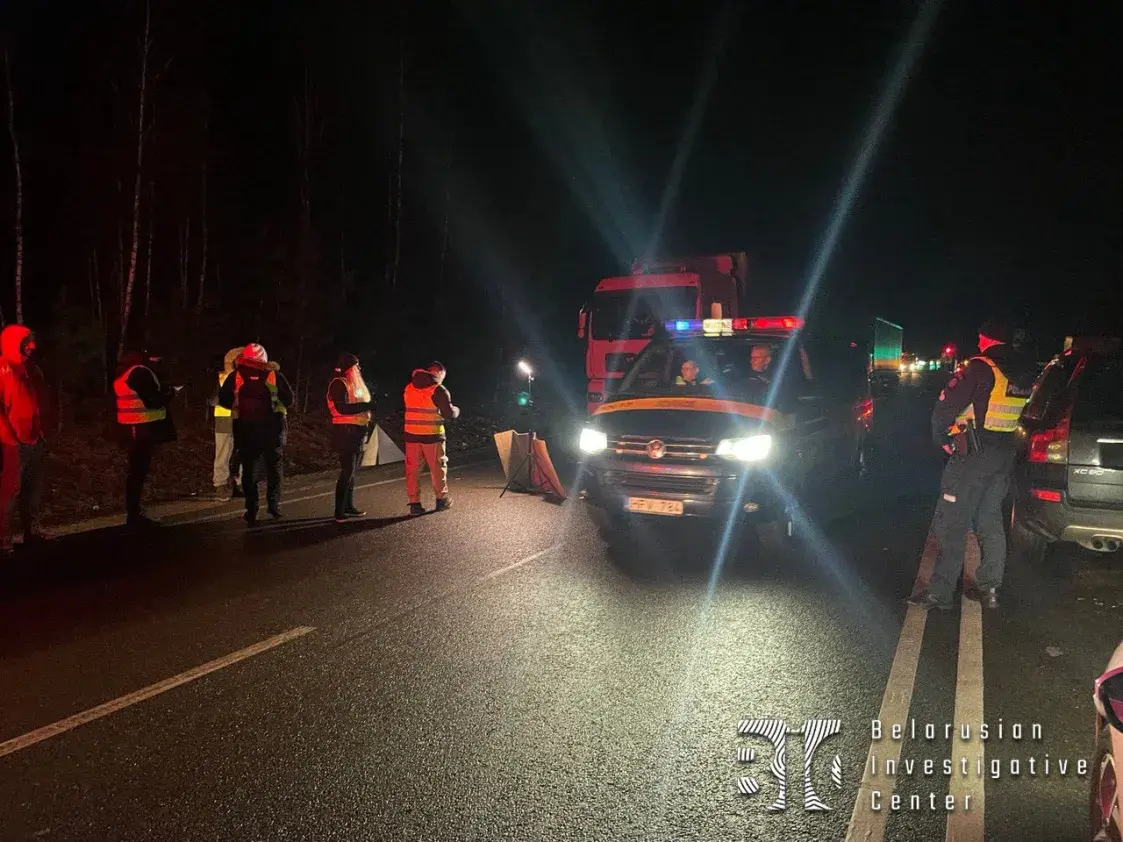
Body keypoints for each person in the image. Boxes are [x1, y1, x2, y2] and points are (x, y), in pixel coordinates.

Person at [908, 319, 1036, 611]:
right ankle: (990, 589)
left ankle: (939, 593)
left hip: (972, 456)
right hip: (1004, 457)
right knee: (989, 518)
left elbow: (944, 408)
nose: (978, 343)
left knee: (951, 521)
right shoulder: (1025, 371)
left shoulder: (980, 367)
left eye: (980, 338)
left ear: (987, 339)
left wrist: (941, 439)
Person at [218, 343, 294, 526]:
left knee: (249, 471)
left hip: (246, 429)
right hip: (273, 429)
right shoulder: (274, 375)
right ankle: (273, 507)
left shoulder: (235, 376)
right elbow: (289, 400)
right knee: (274, 469)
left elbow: (224, 400)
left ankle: (251, 510)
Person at [114, 347, 178, 528]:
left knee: (136, 472)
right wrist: (170, 393)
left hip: (132, 429)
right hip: (142, 429)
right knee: (137, 472)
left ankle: (134, 512)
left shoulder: (125, 372)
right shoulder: (140, 373)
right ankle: (134, 514)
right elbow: (153, 400)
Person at [0, 325, 49, 554]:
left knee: (33, 487)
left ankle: (33, 529)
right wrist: (8, 436)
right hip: (11, 441)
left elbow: (40, 401)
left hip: (34, 437)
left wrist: (43, 430)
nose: (32, 346)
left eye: (32, 340)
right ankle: (3, 537)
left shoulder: (31, 369)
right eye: (26, 341)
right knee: (10, 490)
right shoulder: (2, 368)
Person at [403, 361, 459, 516]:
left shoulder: (409, 387)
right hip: (432, 436)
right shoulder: (438, 390)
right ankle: (441, 500)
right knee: (437, 468)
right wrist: (456, 410)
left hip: (411, 435)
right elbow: (448, 414)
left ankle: (414, 504)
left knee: (412, 470)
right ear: (439, 373)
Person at [327, 352, 374, 523]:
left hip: (357, 431)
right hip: (345, 432)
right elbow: (343, 409)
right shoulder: (339, 384)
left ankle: (348, 506)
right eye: (356, 365)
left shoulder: (352, 384)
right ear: (349, 368)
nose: (359, 369)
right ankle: (339, 510)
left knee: (352, 472)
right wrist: (366, 406)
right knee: (347, 471)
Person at [210, 347, 243, 502]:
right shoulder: (222, 376)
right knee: (223, 450)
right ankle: (221, 484)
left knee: (242, 450)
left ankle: (238, 482)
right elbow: (214, 398)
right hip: (224, 416)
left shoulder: (245, 376)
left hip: (241, 416)